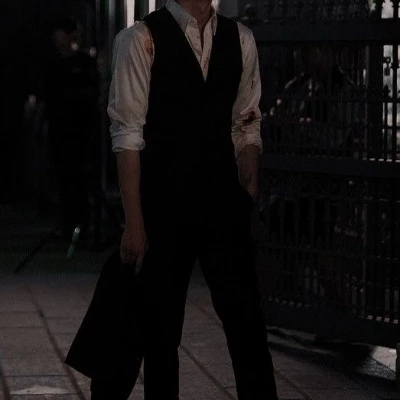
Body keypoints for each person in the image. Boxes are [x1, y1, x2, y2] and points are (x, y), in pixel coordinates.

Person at [78, 0, 278, 399]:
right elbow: (128, 136)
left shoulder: (240, 39)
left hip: (223, 204)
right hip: (164, 206)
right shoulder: (140, 39)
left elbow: (246, 123)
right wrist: (134, 223)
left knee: (247, 327)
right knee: (160, 335)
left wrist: (248, 195)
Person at [44, 17, 98, 239]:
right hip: (60, 131)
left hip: (79, 132)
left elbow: (91, 93)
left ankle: (82, 223)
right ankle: (70, 222)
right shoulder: (54, 65)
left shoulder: (84, 62)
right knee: (64, 178)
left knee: (78, 178)